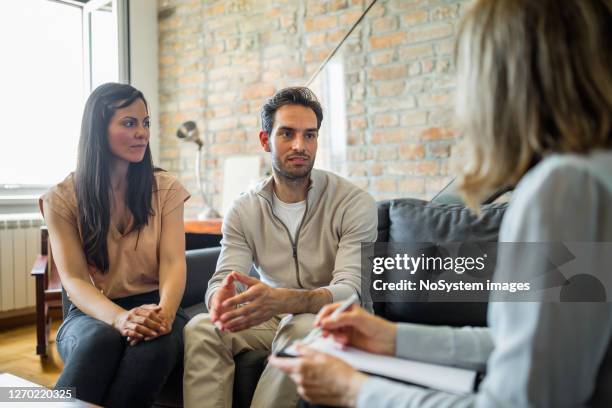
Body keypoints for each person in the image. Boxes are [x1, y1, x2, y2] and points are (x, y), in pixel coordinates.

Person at [269, 0, 612, 406]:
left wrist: (354, 390)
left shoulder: (563, 189)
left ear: (498, 80)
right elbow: (534, 344)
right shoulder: (593, 175)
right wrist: (394, 337)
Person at [182, 86, 378, 408]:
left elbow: (351, 291)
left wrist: (286, 300)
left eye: (310, 135)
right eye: (287, 134)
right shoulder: (244, 209)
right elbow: (223, 278)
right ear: (265, 140)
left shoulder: (352, 203)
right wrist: (220, 300)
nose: (300, 145)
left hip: (334, 320)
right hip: (274, 316)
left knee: (300, 325)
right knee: (203, 326)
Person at [42, 83, 190, 407]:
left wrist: (164, 313)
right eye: (129, 123)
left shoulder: (165, 189)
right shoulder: (61, 199)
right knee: (100, 341)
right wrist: (120, 319)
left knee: (158, 344)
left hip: (155, 304)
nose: (142, 133)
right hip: (90, 312)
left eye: (145, 123)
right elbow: (75, 280)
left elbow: (173, 262)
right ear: (98, 128)